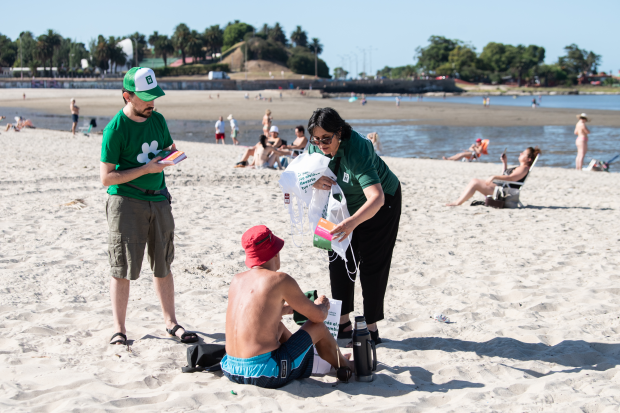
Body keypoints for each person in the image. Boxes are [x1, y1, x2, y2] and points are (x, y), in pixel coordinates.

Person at [99, 67, 198, 346]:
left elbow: (170, 148)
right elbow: (106, 177)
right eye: (145, 98)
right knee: (122, 267)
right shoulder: (115, 129)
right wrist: (146, 169)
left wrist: (172, 157)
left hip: (159, 198)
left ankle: (171, 322)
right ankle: (119, 329)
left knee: (163, 262)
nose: (151, 104)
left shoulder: (158, 119)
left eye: (154, 96)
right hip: (126, 201)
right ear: (127, 96)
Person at [307, 108, 402, 344]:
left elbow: (377, 198)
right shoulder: (316, 145)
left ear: (339, 132)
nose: (320, 145)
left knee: (372, 263)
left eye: (326, 139)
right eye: (316, 139)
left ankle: (370, 327)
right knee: (337, 259)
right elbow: (297, 173)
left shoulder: (358, 149)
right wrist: (313, 179)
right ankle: (343, 323)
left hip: (382, 203)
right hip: (340, 205)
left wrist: (352, 223)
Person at [221, 225, 354, 388]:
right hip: (265, 374)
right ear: (275, 253)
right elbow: (318, 317)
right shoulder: (280, 279)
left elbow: (256, 317)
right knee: (318, 326)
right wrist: (321, 306)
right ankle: (345, 364)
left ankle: (321, 358)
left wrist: (283, 310)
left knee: (278, 326)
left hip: (230, 368)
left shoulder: (237, 280)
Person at [446, 146, 541, 206]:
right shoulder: (520, 167)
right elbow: (507, 177)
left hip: (504, 193)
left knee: (475, 182)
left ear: (528, 159)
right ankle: (458, 201)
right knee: (474, 181)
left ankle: (457, 202)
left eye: (523, 153)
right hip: (502, 189)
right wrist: (505, 163)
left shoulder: (524, 168)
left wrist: (494, 177)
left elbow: (511, 178)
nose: (520, 154)